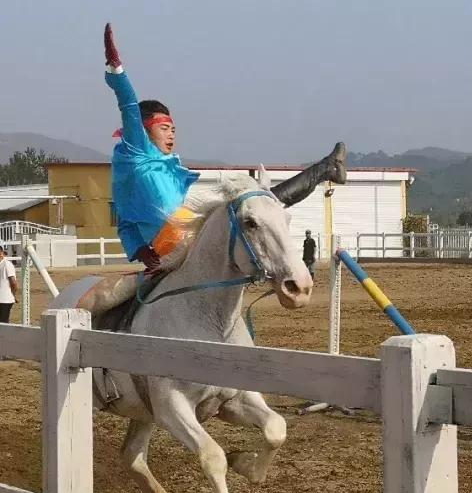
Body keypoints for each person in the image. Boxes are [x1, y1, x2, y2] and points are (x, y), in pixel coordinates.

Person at [85, 24, 349, 317]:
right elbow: (129, 106)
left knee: (258, 206)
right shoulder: (137, 152)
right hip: (172, 246)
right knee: (253, 205)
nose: (172, 135)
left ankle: (324, 172)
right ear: (142, 132)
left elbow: (127, 219)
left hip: (193, 236)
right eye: (164, 129)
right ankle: (325, 169)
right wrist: (117, 71)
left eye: (174, 129)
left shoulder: (169, 168)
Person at [0, 247, 18, 325]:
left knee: (3, 323)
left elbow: (13, 282)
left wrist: (13, 295)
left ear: (1, 253)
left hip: (5, 300)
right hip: (3, 299)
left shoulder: (7, 264)